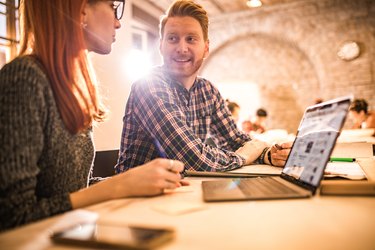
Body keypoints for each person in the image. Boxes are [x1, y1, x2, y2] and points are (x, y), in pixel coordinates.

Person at [0, 0, 186, 232]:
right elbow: (11, 216)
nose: (118, 22)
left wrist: (139, 181)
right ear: (82, 9)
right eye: (113, 6)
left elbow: (73, 189)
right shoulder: (24, 78)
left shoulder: (71, 87)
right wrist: (118, 186)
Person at [115, 0, 292, 174]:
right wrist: (244, 156)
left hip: (180, 191)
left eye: (191, 39)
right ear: (161, 46)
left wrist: (268, 155)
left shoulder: (208, 91)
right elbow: (193, 158)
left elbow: (235, 140)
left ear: (206, 48)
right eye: (172, 39)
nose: (182, 48)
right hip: (136, 198)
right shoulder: (149, 86)